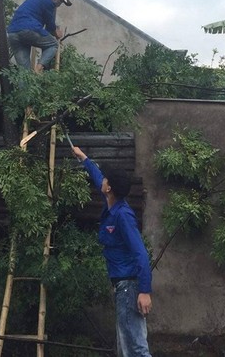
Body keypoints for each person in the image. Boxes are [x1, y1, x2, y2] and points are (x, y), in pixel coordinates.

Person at [71, 145, 153, 357]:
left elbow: (141, 254)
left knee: (135, 348)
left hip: (129, 287)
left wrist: (144, 291)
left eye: (107, 179)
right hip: (123, 287)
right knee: (126, 347)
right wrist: (84, 159)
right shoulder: (111, 202)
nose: (103, 180)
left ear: (110, 189)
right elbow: (98, 177)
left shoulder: (123, 216)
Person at [7, 0, 72, 73]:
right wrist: (57, 33)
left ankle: (26, 84)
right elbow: (50, 26)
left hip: (13, 33)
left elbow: (46, 28)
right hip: (28, 29)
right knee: (53, 45)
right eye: (61, 0)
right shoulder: (49, 2)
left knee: (24, 72)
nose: (59, 4)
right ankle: (38, 70)